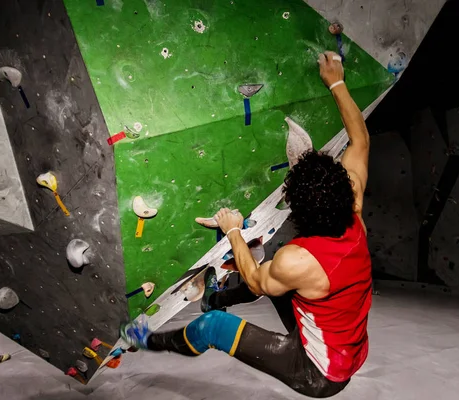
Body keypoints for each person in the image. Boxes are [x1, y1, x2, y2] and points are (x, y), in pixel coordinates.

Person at [121, 50, 372, 398]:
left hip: (320, 372)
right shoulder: (353, 205)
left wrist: (233, 230)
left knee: (214, 326)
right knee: (274, 281)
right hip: (348, 344)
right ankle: (217, 297)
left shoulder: (297, 259)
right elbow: (360, 138)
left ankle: (150, 340)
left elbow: (254, 277)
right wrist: (337, 82)